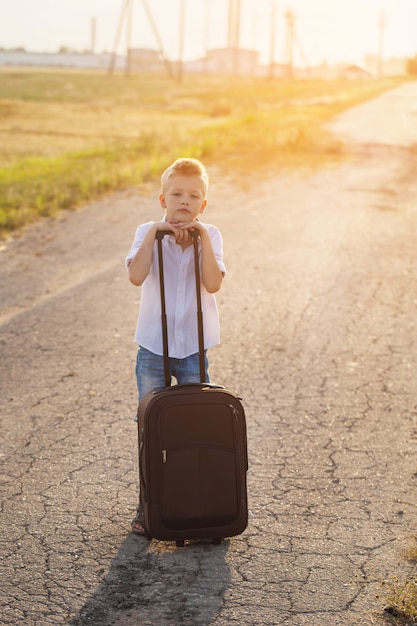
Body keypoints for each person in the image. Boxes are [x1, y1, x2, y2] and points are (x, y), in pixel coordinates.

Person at [125, 157, 226, 535]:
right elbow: (136, 276)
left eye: (194, 196)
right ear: (162, 198)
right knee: (150, 425)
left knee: (195, 424)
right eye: (176, 194)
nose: (184, 201)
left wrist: (199, 238)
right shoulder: (146, 231)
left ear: (203, 205)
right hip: (153, 344)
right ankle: (147, 505)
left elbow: (213, 284)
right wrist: (155, 231)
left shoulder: (211, 234)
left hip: (194, 347)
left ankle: (197, 500)